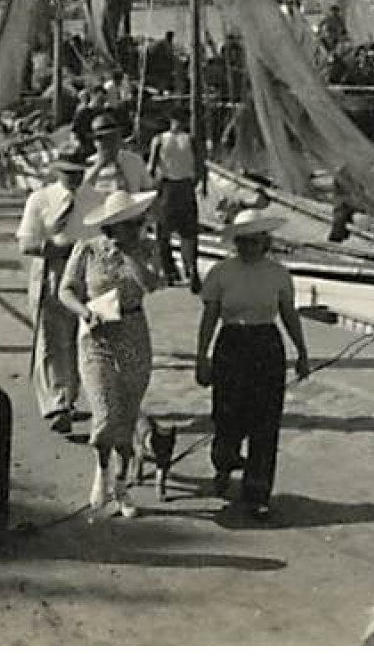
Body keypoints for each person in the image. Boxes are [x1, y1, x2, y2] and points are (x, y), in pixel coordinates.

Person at [194, 209, 311, 520]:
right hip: (231, 343)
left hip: (266, 345)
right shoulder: (221, 272)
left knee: (265, 422)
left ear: (266, 242)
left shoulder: (279, 274)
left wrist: (302, 352)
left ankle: (257, 492)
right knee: (227, 415)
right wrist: (201, 357)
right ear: (236, 242)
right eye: (243, 241)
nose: (249, 247)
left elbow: (289, 314)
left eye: (255, 241)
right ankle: (223, 463)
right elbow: (209, 318)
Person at [58, 188, 162, 517]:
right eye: (127, 225)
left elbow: (151, 284)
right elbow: (65, 289)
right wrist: (84, 311)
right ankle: (102, 470)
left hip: (132, 332)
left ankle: (121, 484)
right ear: (110, 227)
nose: (135, 230)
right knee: (105, 413)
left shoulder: (146, 248)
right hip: (96, 336)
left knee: (128, 413)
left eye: (137, 223)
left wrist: (130, 254)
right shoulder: (87, 250)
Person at [16, 150, 94, 434]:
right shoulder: (40, 199)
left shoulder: (94, 199)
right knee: (52, 338)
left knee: (83, 337)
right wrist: (60, 247)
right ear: (57, 171)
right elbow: (26, 243)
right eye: (69, 172)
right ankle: (56, 403)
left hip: (88, 271)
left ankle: (72, 396)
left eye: (80, 171)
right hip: (53, 269)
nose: (75, 177)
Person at [147, 113, 199, 291]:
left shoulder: (162, 139)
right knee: (181, 232)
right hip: (179, 186)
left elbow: (151, 167)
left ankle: (180, 270)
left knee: (169, 232)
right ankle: (183, 269)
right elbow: (199, 165)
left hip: (172, 186)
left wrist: (150, 187)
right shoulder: (169, 139)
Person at [84, 112, 149, 196]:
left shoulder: (134, 160)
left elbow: (147, 189)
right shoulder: (88, 166)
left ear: (119, 138)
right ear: (95, 142)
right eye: (102, 139)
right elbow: (81, 193)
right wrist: (99, 165)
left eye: (112, 137)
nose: (109, 143)